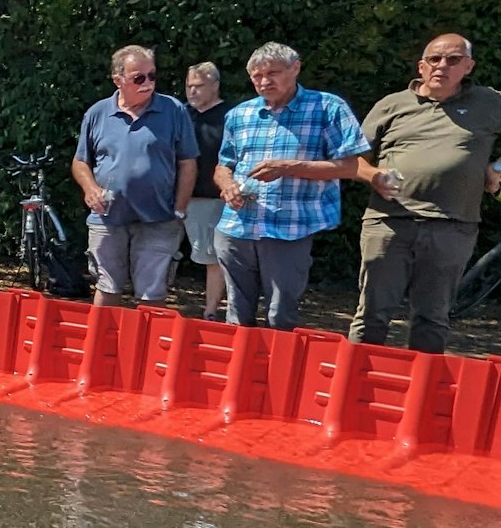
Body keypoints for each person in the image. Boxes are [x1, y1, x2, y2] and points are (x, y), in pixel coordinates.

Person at [348, 33, 501, 352]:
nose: (442, 65)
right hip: (388, 223)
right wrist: (374, 175)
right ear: (421, 65)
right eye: (434, 59)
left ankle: (420, 396)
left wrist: (497, 169)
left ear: (469, 66)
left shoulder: (489, 102)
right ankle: (355, 393)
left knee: (432, 318)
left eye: (453, 59)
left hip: (452, 227)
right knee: (371, 316)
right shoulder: (392, 104)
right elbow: (351, 158)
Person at [214, 42, 370, 330]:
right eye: (257, 76)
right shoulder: (239, 114)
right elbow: (224, 165)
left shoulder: (328, 107)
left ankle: (277, 373)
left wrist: (289, 168)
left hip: (290, 227)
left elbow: (351, 167)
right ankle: (239, 372)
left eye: (273, 73)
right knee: (236, 315)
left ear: (295, 68)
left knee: (280, 316)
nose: (264, 81)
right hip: (237, 226)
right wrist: (227, 185)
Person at [71, 44, 197, 307]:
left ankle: (150, 349)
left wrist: (180, 210)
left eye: (152, 76)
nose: (148, 83)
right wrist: (90, 189)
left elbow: (188, 162)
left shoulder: (174, 110)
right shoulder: (97, 113)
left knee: (153, 296)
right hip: (107, 218)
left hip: (160, 218)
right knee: (107, 288)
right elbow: (81, 161)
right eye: (139, 77)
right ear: (118, 80)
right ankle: (102, 347)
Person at [183, 62, 232, 321]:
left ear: (215, 85)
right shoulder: (182, 115)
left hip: (212, 199)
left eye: (199, 86)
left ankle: (211, 311)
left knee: (214, 258)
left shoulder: (229, 116)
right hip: (178, 197)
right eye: (189, 85)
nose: (192, 91)